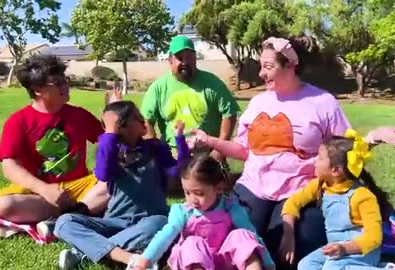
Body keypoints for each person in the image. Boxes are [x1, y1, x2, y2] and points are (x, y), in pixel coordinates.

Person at [188, 36, 395, 267]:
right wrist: (210, 141)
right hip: (253, 185)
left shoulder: (322, 102)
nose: (260, 74)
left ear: (290, 65)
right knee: (237, 241)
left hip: (300, 189)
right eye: (261, 66)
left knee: (289, 253)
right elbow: (245, 150)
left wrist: (373, 137)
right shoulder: (257, 103)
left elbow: (344, 149)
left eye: (268, 67)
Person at [54, 101, 190, 270]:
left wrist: (180, 139)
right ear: (122, 127)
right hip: (115, 222)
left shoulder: (155, 148)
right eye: (137, 118)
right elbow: (102, 174)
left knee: (159, 223)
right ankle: (129, 256)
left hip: (150, 220)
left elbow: (179, 171)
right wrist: (110, 132)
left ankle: (83, 254)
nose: (143, 121)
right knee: (64, 222)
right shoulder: (111, 152)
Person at [0, 55, 112, 233]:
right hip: (38, 193)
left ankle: (66, 217)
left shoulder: (79, 115)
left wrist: (113, 119)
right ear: (37, 90)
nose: (65, 86)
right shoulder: (18, 121)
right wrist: (45, 190)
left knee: (116, 179)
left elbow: (110, 145)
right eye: (57, 83)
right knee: (2, 205)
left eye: (65, 80)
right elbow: (9, 166)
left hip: (79, 187)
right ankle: (76, 214)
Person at [130, 155, 275, 270]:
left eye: (198, 193)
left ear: (218, 188)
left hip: (223, 262)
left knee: (242, 235)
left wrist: (268, 264)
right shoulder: (184, 212)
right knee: (192, 242)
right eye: (187, 192)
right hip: (194, 262)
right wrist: (144, 261)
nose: (192, 199)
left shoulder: (230, 207)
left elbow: (252, 235)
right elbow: (165, 235)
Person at [281, 129, 391, 270]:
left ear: (336, 170)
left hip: (362, 251)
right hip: (335, 248)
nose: (315, 161)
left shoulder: (363, 196)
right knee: (305, 265)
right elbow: (293, 202)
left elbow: (374, 238)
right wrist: (288, 233)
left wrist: (345, 248)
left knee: (332, 267)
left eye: (320, 158)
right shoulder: (320, 185)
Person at [140, 35, 240, 164]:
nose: (185, 62)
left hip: (207, 153)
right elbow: (146, 121)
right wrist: (155, 150)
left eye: (189, 57)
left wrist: (219, 150)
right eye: (180, 58)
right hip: (173, 154)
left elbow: (230, 114)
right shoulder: (158, 88)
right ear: (170, 60)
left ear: (195, 59)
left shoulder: (212, 83)